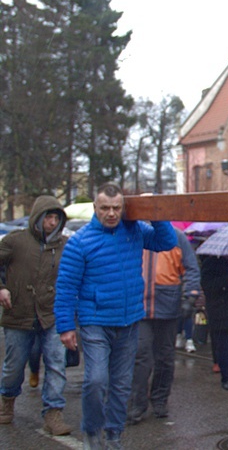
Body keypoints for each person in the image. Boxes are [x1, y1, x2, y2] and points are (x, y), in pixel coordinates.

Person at [55, 183, 177, 450]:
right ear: (95, 208)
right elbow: (66, 287)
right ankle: (92, 432)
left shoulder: (134, 231)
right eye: (105, 208)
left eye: (116, 208)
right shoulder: (80, 242)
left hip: (129, 320)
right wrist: (65, 327)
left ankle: (113, 435)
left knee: (121, 385)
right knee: (97, 380)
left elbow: (167, 241)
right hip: (95, 321)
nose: (111, 213)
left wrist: (155, 212)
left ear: (123, 208)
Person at [0, 195, 72, 435]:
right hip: (19, 313)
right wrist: (1, 288)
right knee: (14, 366)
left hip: (53, 314)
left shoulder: (65, 246)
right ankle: (7, 400)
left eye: (56, 218)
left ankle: (53, 412)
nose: (52, 223)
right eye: (48, 218)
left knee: (56, 363)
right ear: (38, 219)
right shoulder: (16, 241)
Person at [127, 228, 200, 424]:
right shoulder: (135, 232)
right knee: (141, 355)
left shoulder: (176, 236)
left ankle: (159, 399)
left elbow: (191, 267)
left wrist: (190, 296)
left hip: (167, 307)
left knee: (165, 357)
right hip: (139, 307)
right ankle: (137, 403)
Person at [200, 255, 228, 390]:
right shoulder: (211, 261)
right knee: (225, 344)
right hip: (219, 310)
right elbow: (208, 286)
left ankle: (225, 365)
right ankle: (227, 377)